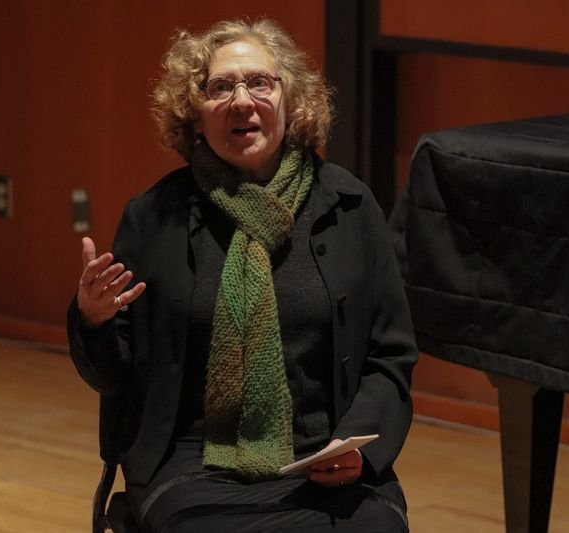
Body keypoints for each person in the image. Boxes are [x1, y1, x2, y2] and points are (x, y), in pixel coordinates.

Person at [67, 18, 417, 533]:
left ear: (289, 100)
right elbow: (116, 378)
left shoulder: (348, 206)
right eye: (220, 87)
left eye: (259, 82)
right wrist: (92, 320)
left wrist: (360, 447)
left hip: (324, 457)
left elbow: (391, 354)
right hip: (191, 463)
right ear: (194, 115)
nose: (241, 100)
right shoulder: (154, 216)